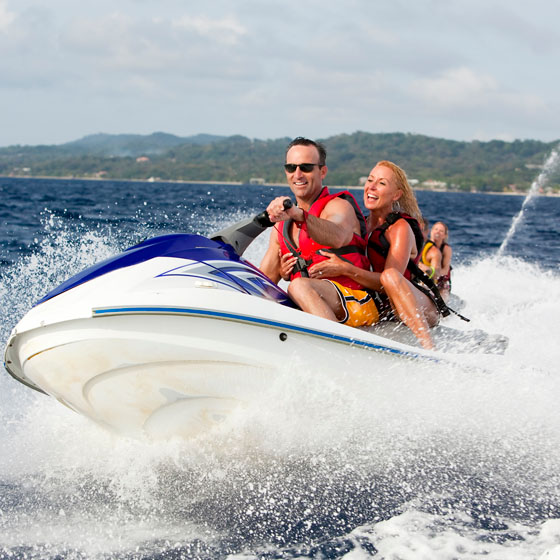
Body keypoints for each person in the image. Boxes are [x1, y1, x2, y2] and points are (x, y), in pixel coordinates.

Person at [305, 160, 440, 350]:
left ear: (396, 195)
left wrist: (345, 268)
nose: (372, 186)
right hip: (379, 307)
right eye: (370, 180)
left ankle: (429, 349)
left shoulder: (400, 227)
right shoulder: (362, 225)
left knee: (390, 275)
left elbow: (388, 283)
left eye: (382, 183)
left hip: (419, 306)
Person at [259, 137, 377, 328]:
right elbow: (262, 282)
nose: (298, 174)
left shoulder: (339, 206)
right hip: (311, 308)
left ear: (322, 171)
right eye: (291, 168)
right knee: (270, 294)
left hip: (357, 304)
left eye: (306, 167)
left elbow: (337, 236)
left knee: (298, 286)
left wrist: (300, 215)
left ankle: (337, 348)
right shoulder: (281, 227)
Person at [419, 221, 452, 302]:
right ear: (430, 231)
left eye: (441, 231)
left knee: (443, 293)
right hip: (427, 278)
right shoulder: (425, 245)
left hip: (442, 281)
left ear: (444, 235)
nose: (438, 232)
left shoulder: (446, 249)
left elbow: (445, 271)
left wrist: (430, 270)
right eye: (436, 229)